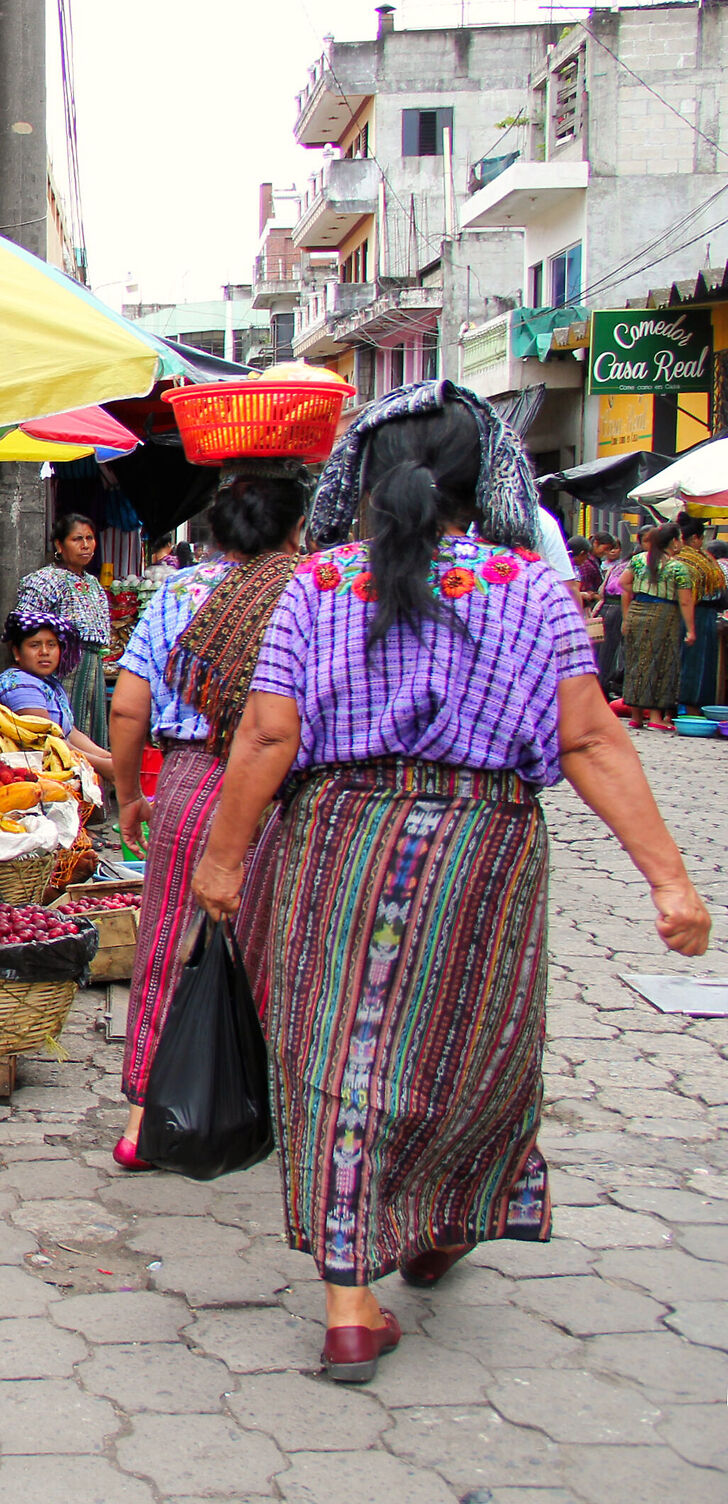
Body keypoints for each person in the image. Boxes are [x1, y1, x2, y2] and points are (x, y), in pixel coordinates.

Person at [191, 380, 710, 1384]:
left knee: (338, 1051)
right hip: (487, 843)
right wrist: (671, 883)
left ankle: (349, 1300)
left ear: (369, 481)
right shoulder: (528, 588)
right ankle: (441, 1222)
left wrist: (222, 859)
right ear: (488, 481)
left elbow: (266, 731)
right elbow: (591, 735)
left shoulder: (323, 582)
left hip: (342, 835)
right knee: (478, 1047)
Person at [107, 466, 311, 1172]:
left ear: (217, 532)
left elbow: (129, 706)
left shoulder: (181, 591)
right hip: (291, 788)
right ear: (295, 531)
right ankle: (257, 1109)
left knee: (170, 940)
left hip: (194, 781)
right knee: (279, 950)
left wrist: (131, 794)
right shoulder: (314, 590)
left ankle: (144, 1119)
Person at [17, 513, 115, 749]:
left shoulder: (93, 583)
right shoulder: (45, 580)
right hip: (62, 669)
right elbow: (24, 625)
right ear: (59, 545)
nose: (85, 545)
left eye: (90, 538)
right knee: (63, 733)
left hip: (92, 668)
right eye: (77, 539)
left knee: (91, 731)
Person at [0, 608, 113, 781]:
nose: (45, 651)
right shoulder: (20, 685)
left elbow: (69, 732)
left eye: (51, 645)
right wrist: (103, 766)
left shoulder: (47, 682)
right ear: (16, 652)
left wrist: (107, 758)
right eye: (34, 645)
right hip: (23, 777)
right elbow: (48, 742)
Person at [619, 522, 693, 728]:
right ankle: (655, 717)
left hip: (637, 610)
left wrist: (643, 589)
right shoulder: (677, 567)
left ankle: (636, 717)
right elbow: (685, 601)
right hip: (664, 614)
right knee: (661, 661)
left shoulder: (638, 560)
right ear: (674, 541)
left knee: (636, 662)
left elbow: (623, 583)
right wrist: (691, 629)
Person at [674, 513, 727, 708]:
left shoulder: (700, 557)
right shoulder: (687, 559)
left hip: (701, 614)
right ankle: (689, 706)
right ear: (696, 538)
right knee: (693, 662)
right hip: (693, 614)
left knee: (696, 662)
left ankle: (688, 706)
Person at [596, 532, 629, 694]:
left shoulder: (617, 566)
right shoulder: (632, 566)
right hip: (618, 610)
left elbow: (601, 591)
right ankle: (604, 687)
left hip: (605, 608)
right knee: (613, 651)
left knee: (603, 651)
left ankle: (602, 685)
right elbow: (625, 591)